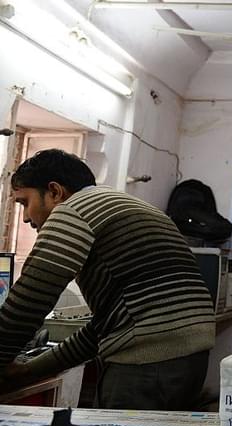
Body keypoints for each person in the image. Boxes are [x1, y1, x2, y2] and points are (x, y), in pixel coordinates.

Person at [0, 149, 215, 410]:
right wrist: (27, 371)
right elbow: (104, 327)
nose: (24, 218)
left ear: (55, 192)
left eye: (25, 202)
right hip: (186, 358)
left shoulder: (73, 211)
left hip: (146, 361)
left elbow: (29, 300)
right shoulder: (123, 205)